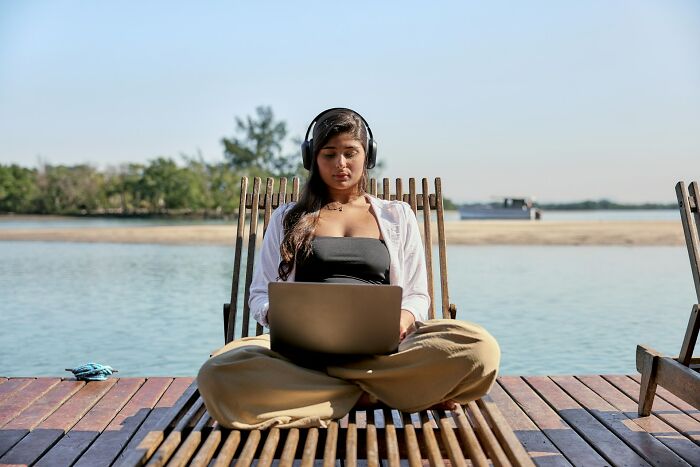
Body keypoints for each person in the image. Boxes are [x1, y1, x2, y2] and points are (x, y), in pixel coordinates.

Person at [197, 108, 500, 430]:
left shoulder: (397, 215)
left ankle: (326, 395)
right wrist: (279, 318)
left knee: (479, 348)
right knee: (217, 373)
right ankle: (384, 392)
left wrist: (403, 318)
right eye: (329, 154)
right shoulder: (287, 218)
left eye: (349, 153)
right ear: (312, 158)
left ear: (367, 156)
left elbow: (416, 293)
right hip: (303, 355)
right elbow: (259, 293)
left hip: (385, 353)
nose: (340, 164)